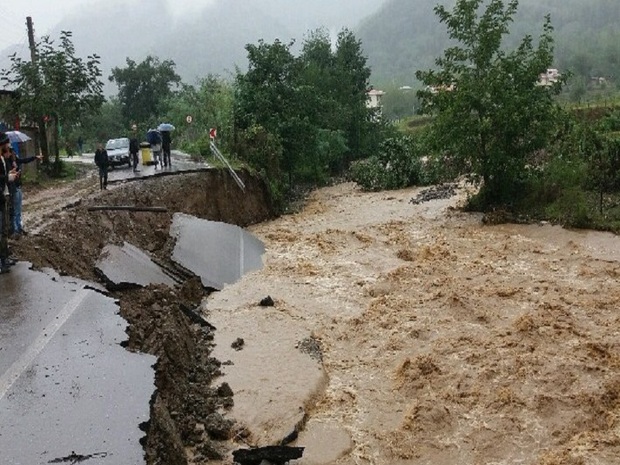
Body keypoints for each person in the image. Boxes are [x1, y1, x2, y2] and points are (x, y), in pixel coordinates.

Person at [8, 147, 42, 237]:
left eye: (15, 154)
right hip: (13, 188)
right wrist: (12, 173)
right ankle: (14, 229)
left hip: (18, 186)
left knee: (19, 208)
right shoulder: (8, 164)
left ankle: (19, 227)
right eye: (12, 154)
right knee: (14, 209)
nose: (14, 155)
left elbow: (25, 160)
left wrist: (35, 157)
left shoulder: (17, 161)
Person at [0, 132, 18, 273]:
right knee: (1, 230)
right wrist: (8, 177)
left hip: (4, 195)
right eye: (6, 143)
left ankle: (5, 257)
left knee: (4, 229)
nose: (8, 146)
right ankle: (2, 260)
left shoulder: (3, 158)